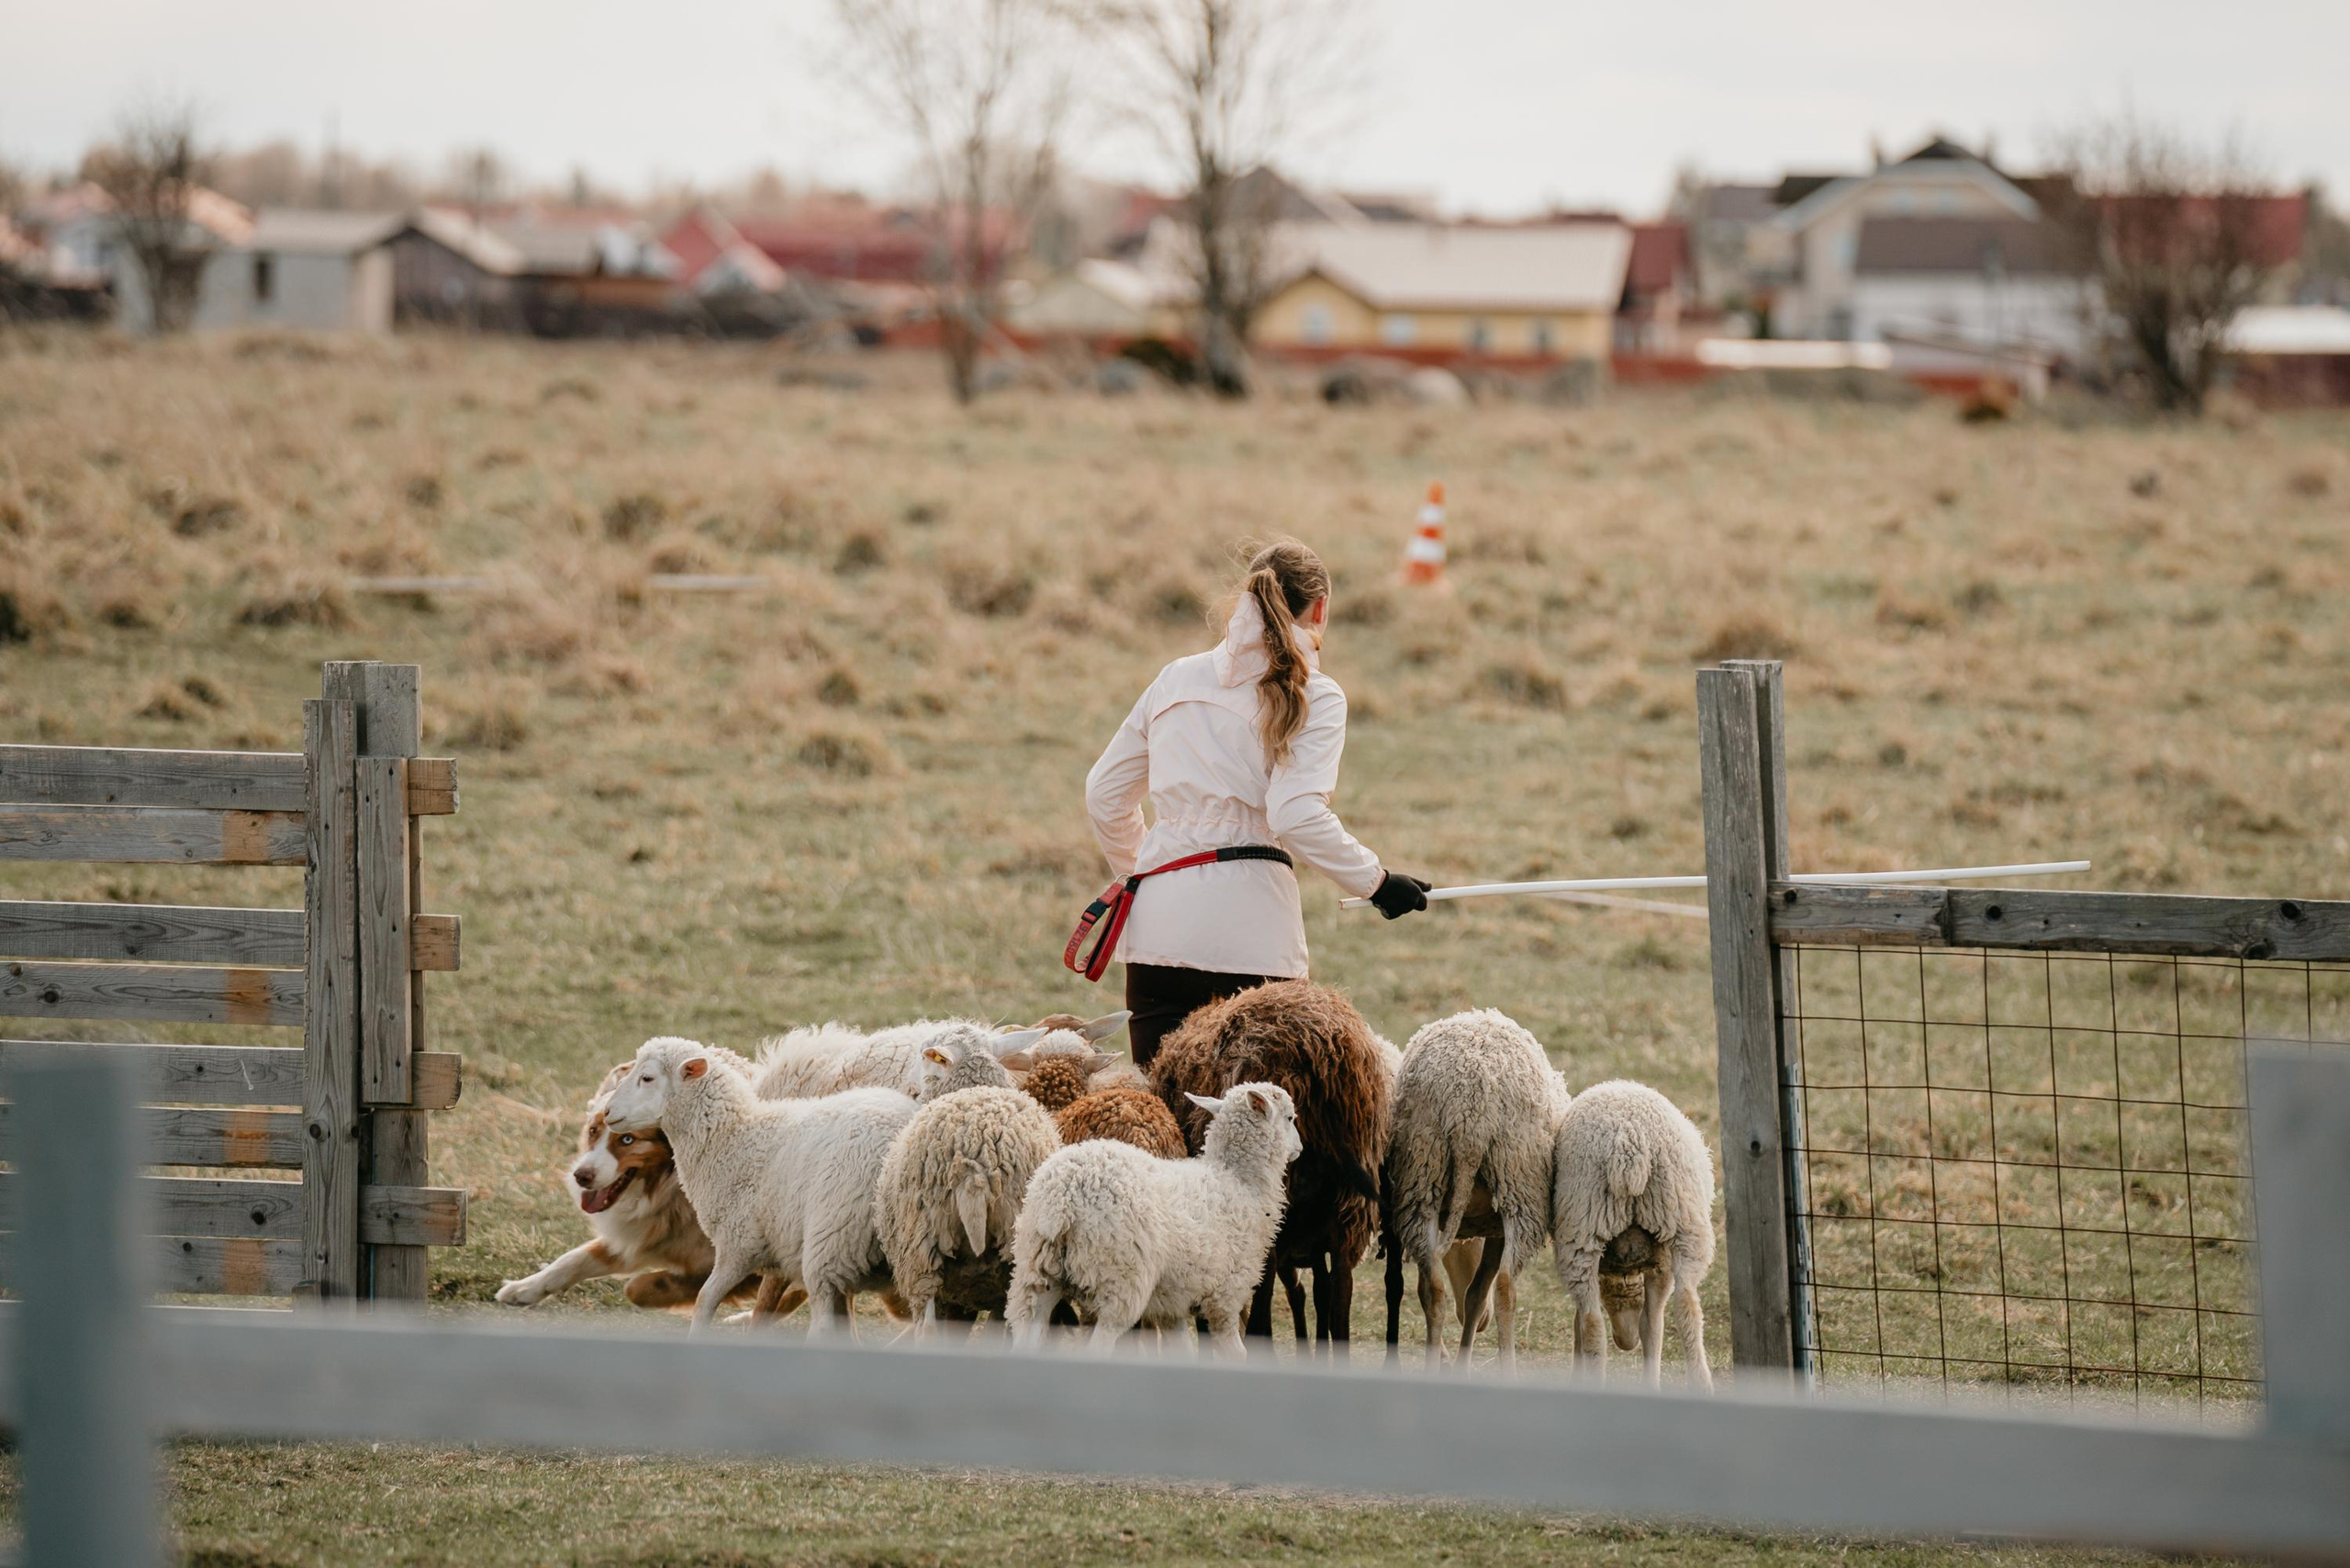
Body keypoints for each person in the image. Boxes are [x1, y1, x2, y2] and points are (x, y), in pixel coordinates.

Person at [1082, 539, 1430, 1066]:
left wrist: (1155, 875)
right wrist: (1376, 882)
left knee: (1164, 1127)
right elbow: (1294, 814)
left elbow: (1104, 795)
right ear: (1320, 609)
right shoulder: (1320, 693)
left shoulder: (1175, 677)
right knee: (1256, 1130)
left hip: (1157, 936)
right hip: (1254, 940)